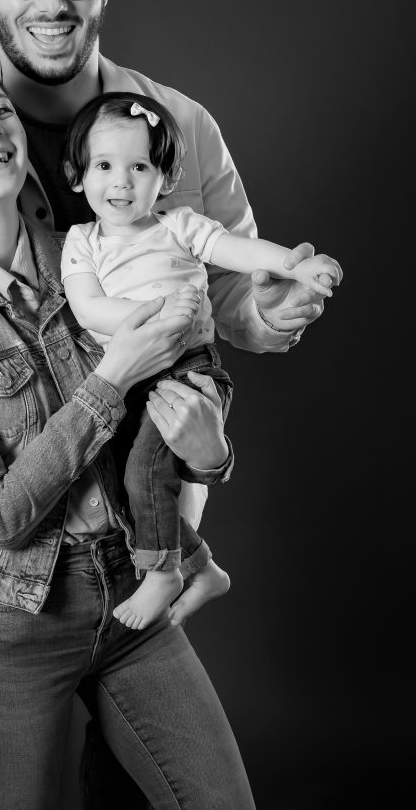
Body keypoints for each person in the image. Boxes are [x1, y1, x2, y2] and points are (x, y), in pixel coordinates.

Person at [0, 0, 335, 807]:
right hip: (29, 552)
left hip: (139, 520)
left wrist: (273, 312)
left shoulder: (178, 126)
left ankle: (181, 563)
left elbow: (227, 299)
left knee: (139, 782)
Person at [0, 56, 256, 809]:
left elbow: (183, 379)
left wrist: (214, 458)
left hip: (133, 593)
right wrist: (110, 378)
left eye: (0, 111)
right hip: (16, 621)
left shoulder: (99, 253)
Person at [60, 91, 343, 630]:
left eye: (138, 166)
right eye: (104, 165)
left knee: (145, 472)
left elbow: (236, 251)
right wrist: (160, 309)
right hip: (128, 378)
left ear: (163, 180)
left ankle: (164, 574)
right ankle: (202, 567)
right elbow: (88, 307)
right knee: (119, 489)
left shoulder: (177, 224)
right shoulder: (82, 242)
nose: (120, 181)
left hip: (188, 370)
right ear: (78, 177)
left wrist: (292, 265)